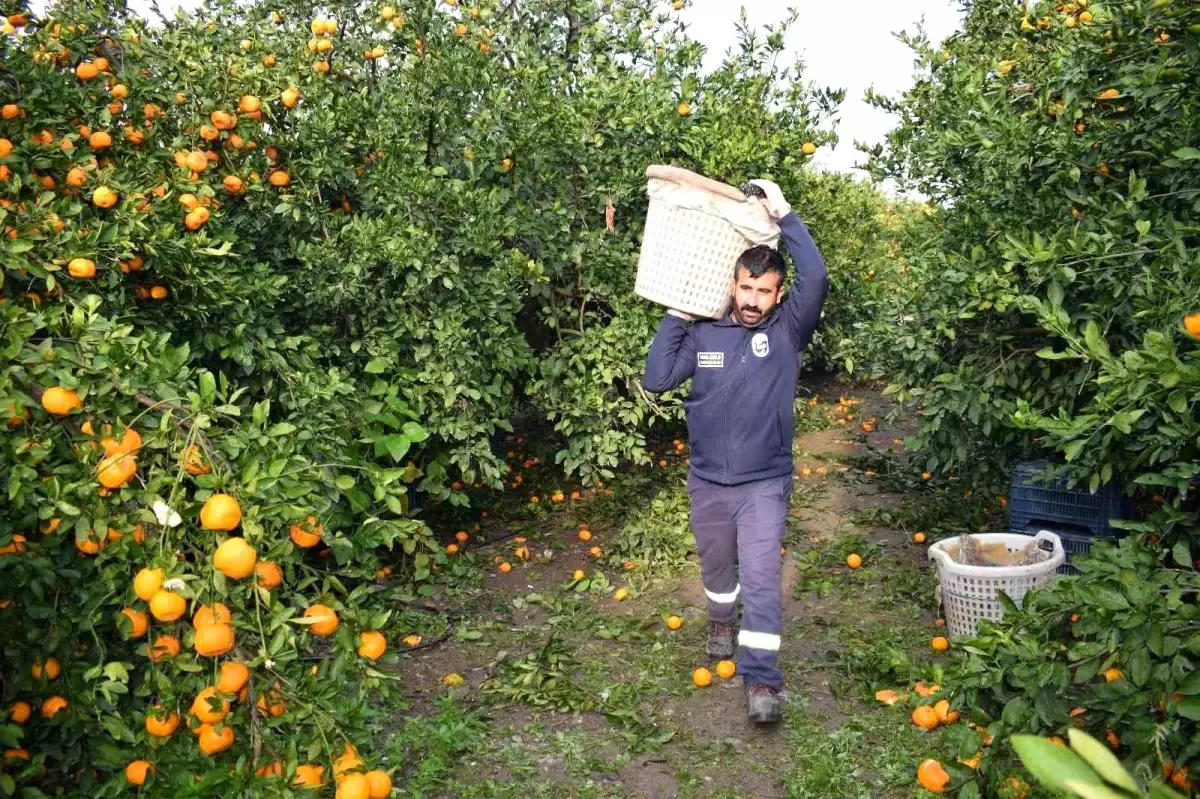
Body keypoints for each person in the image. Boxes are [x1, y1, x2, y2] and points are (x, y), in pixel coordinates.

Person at [642, 178, 828, 724]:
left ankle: (763, 682)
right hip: (707, 480)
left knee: (764, 576)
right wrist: (677, 314)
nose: (751, 301)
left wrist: (785, 213)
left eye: (763, 291)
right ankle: (720, 619)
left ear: (777, 294)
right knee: (718, 568)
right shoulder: (706, 331)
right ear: (733, 284)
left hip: (764, 482)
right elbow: (657, 378)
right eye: (745, 289)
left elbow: (814, 276)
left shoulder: (790, 330)